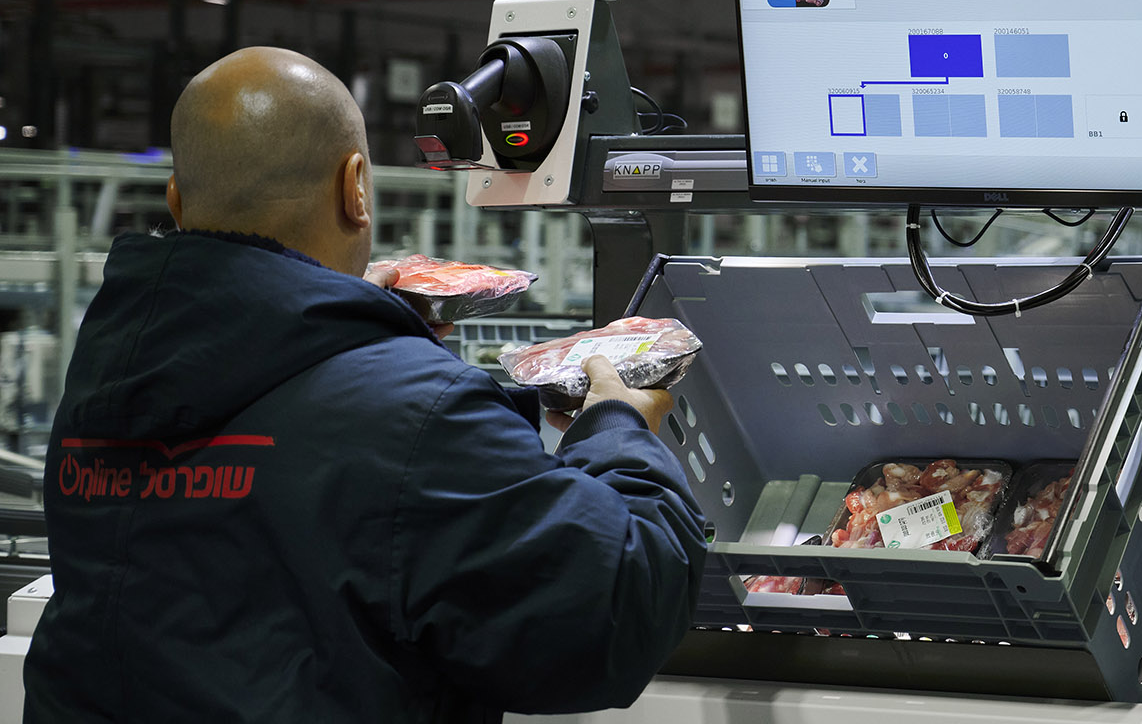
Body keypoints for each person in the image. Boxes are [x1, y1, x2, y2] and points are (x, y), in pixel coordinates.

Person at [25, 47, 708, 722]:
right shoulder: (415, 412)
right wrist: (618, 428)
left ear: (176, 203)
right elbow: (609, 615)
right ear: (355, 186)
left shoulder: (103, 379)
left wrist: (362, 335)